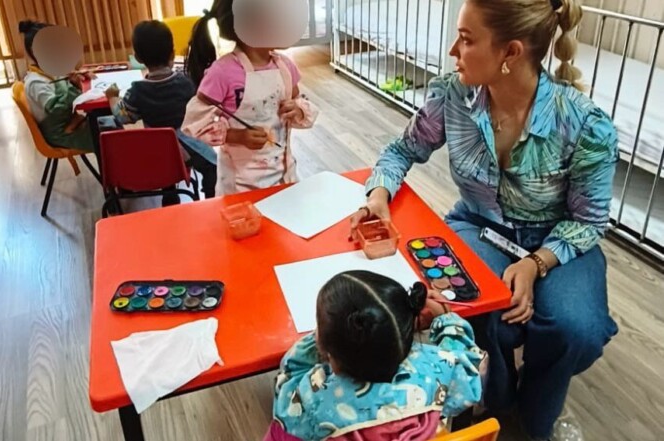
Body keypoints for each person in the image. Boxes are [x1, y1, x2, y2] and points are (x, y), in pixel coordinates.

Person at [349, 0, 619, 439]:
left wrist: (536, 263)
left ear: (510, 52)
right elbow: (402, 151)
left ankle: (535, 412)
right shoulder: (451, 95)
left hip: (558, 239)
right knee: (470, 306)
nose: (452, 51)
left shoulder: (585, 124)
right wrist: (378, 193)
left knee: (576, 329)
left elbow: (589, 221)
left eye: (466, 39)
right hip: (480, 226)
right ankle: (496, 397)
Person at [265, 270, 483, 441]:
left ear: (329, 356)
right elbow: (466, 365)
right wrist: (446, 318)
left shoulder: (312, 405)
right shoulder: (434, 371)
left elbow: (290, 374)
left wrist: (320, 336)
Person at [180, 0, 318, 196]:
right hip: (239, 186)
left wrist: (297, 109)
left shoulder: (286, 67)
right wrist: (238, 136)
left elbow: (299, 100)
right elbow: (195, 123)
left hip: (285, 178)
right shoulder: (223, 72)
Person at [105, 20, 217, 200]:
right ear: (172, 53)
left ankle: (170, 199)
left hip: (158, 154)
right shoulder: (186, 82)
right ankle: (212, 201)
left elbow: (123, 116)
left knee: (164, 156)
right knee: (212, 166)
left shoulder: (137, 91)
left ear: (137, 58)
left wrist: (113, 98)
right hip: (188, 148)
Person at [19, 20, 93, 152]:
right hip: (59, 134)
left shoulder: (51, 70)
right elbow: (57, 110)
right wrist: (72, 87)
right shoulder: (35, 82)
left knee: (107, 123)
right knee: (106, 136)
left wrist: (75, 80)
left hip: (69, 122)